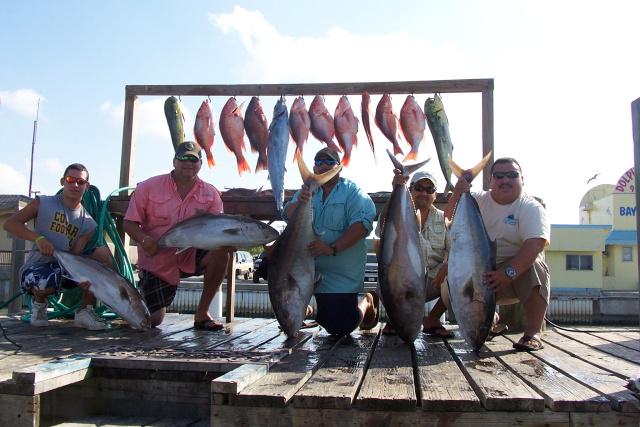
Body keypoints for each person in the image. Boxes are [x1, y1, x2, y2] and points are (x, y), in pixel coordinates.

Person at [123, 141, 232, 330]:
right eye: (183, 158)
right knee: (152, 320)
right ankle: (130, 301)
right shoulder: (148, 187)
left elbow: (217, 228)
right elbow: (128, 222)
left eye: (193, 159)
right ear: (174, 161)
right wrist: (144, 239)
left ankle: (202, 314)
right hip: (157, 259)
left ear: (200, 164)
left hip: (191, 254)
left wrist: (227, 242)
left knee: (222, 254)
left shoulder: (211, 193)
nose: (188, 162)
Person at [445, 157, 550, 351]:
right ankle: (488, 321)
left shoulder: (530, 207)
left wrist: (508, 273)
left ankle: (532, 333)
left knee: (535, 266)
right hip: (483, 274)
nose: (505, 179)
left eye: (512, 175)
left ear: (522, 179)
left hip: (515, 276)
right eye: (499, 175)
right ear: (491, 181)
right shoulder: (476, 199)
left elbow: (535, 246)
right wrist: (457, 194)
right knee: (448, 286)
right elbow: (448, 220)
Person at [3, 163, 114, 330]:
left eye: (80, 182)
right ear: (62, 181)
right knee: (43, 283)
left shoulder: (89, 224)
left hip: (64, 269)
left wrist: (83, 277)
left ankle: (85, 311)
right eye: (70, 180)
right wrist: (38, 239)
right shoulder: (43, 202)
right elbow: (10, 224)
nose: (75, 185)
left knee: (103, 253)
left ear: (87, 186)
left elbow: (75, 254)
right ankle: (39, 305)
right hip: (37, 267)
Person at [282, 147, 378, 336]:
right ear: (314, 168)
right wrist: (299, 202)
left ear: (339, 168)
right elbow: (287, 214)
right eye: (319, 162)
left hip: (338, 276)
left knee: (339, 327)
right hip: (306, 268)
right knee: (268, 264)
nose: (323, 165)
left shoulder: (353, 192)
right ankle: (303, 309)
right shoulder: (307, 190)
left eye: (329, 162)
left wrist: (332, 247)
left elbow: (362, 226)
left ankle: (367, 301)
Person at [380, 170, 454, 338]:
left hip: (433, 279)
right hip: (401, 278)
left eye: (429, 189)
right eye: (419, 188)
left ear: (435, 194)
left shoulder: (444, 219)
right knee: (385, 279)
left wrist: (447, 265)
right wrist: (396, 189)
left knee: (455, 277)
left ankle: (432, 320)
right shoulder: (401, 213)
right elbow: (382, 228)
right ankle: (393, 319)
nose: (424, 193)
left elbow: (455, 249)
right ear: (410, 190)